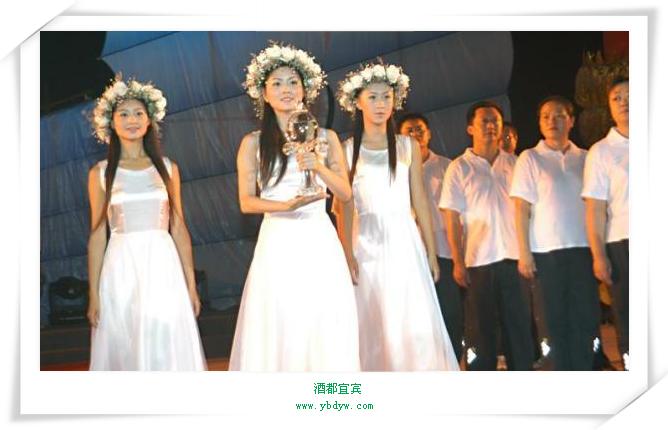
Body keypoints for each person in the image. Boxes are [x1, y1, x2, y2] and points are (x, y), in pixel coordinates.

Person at [228, 43, 360, 371]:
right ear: (264, 93)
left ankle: (325, 393)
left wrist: (319, 166)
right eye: (277, 83)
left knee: (323, 317)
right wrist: (285, 205)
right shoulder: (252, 143)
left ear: (305, 89)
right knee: (281, 318)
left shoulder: (327, 137)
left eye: (292, 82)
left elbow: (345, 194)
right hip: (278, 239)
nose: (286, 89)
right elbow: (246, 201)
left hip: (319, 236)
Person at [337, 63, 459, 371]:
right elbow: (344, 206)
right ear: (358, 102)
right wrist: (346, 252)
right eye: (373, 97)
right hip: (366, 243)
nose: (380, 104)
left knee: (412, 316)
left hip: (405, 240)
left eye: (386, 97)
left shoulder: (407, 146)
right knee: (373, 320)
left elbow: (420, 200)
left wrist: (431, 251)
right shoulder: (347, 149)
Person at [87, 77, 206, 371]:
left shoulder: (167, 168)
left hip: (162, 264)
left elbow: (178, 227)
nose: (132, 120)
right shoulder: (101, 173)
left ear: (150, 119)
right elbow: (98, 235)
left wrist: (191, 284)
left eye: (139, 113)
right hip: (121, 266)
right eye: (124, 114)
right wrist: (93, 293)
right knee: (126, 340)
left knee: (163, 338)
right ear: (111, 122)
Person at [439, 101, 534, 371]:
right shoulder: (459, 167)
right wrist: (458, 261)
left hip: (515, 259)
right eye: (485, 121)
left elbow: (529, 211)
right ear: (470, 128)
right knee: (481, 331)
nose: (491, 126)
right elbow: (452, 219)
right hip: (478, 261)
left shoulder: (516, 163)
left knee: (518, 328)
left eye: (496, 121)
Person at [510, 96, 600, 370]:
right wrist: (524, 253)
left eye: (559, 115)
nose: (552, 121)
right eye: (546, 116)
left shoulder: (586, 157)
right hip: (546, 252)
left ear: (571, 121)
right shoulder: (530, 158)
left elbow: (598, 206)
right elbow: (521, 209)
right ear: (539, 123)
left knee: (584, 317)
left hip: (584, 249)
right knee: (552, 320)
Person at [397, 112, 464, 362]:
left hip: (444, 250)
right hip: (410, 253)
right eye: (409, 131)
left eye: (420, 129)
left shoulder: (446, 166)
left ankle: (454, 362)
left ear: (429, 134)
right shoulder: (396, 169)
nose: (416, 134)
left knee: (450, 312)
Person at [582, 77, 629, 370]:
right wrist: (598, 255)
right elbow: (595, 209)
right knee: (628, 313)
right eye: (617, 98)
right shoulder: (601, 151)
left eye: (630, 95)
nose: (624, 102)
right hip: (622, 242)